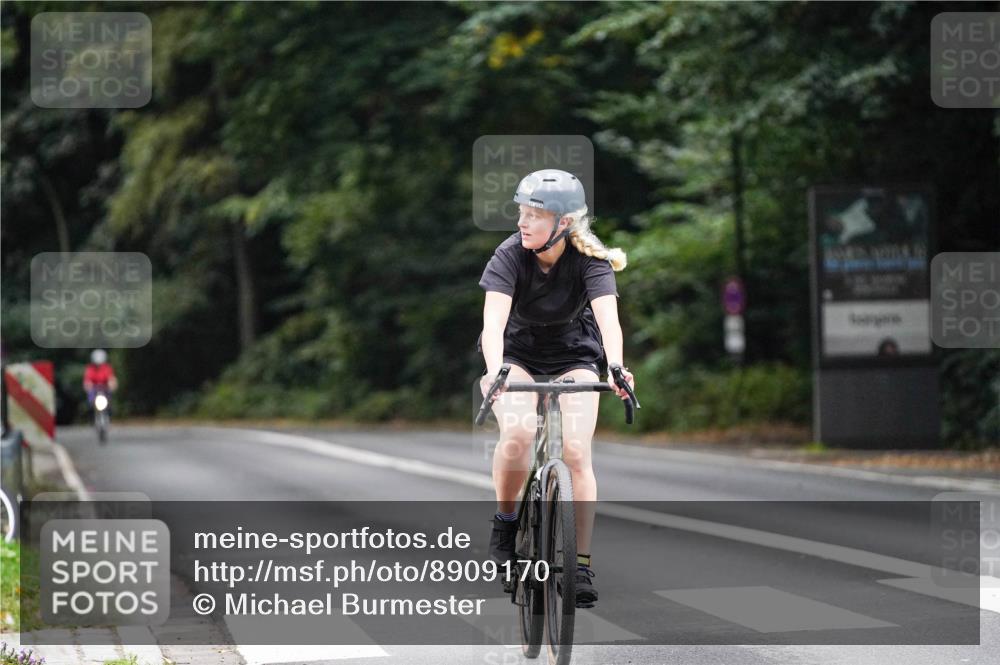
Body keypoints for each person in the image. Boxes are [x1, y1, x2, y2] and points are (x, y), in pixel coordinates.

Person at [477, 168, 634, 608]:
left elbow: (609, 323)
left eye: (534, 215)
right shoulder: (509, 255)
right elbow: (492, 326)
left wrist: (617, 367)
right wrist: (496, 370)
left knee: (577, 451)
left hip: (574, 357)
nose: (522, 223)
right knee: (520, 434)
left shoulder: (590, 261)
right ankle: (506, 524)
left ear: (562, 223)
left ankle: (579, 564)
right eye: (521, 213)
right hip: (517, 357)